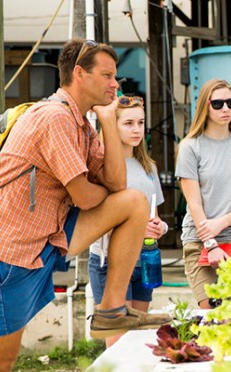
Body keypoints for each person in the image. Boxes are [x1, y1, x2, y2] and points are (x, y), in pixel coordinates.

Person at [0, 39, 169, 371]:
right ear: (80, 74)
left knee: (133, 202)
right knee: (0, 361)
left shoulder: (81, 122)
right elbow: (84, 196)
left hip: (48, 237)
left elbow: (118, 185)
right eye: (107, 75)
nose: (115, 84)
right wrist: (101, 193)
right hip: (12, 255)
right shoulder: (55, 118)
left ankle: (110, 310)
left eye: (116, 76)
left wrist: (108, 120)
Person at [88, 95, 168, 347]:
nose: (136, 130)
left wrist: (160, 227)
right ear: (112, 126)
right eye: (128, 123)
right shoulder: (101, 167)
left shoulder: (148, 166)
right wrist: (133, 228)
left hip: (145, 259)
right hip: (109, 261)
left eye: (140, 123)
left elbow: (155, 215)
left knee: (140, 339)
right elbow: (94, 221)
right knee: (118, 343)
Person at [177, 79, 231, 309]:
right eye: (218, 104)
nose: (225, 109)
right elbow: (194, 203)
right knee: (212, 312)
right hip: (200, 240)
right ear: (205, 106)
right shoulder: (190, 147)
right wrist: (211, 242)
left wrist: (221, 224)